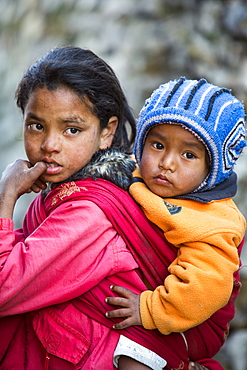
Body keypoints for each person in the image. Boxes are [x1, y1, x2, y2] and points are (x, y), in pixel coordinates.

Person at [0, 48, 241, 370]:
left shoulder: (91, 210)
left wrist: (6, 195)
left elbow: (5, 287)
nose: (50, 145)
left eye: (72, 129)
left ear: (107, 132)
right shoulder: (134, 184)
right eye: (36, 125)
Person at [105, 77, 246, 368]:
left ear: (212, 169)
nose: (167, 162)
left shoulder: (212, 221)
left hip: (190, 320)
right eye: (157, 144)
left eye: (188, 154)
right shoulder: (140, 176)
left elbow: (205, 287)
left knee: (134, 358)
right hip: (168, 302)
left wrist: (149, 309)